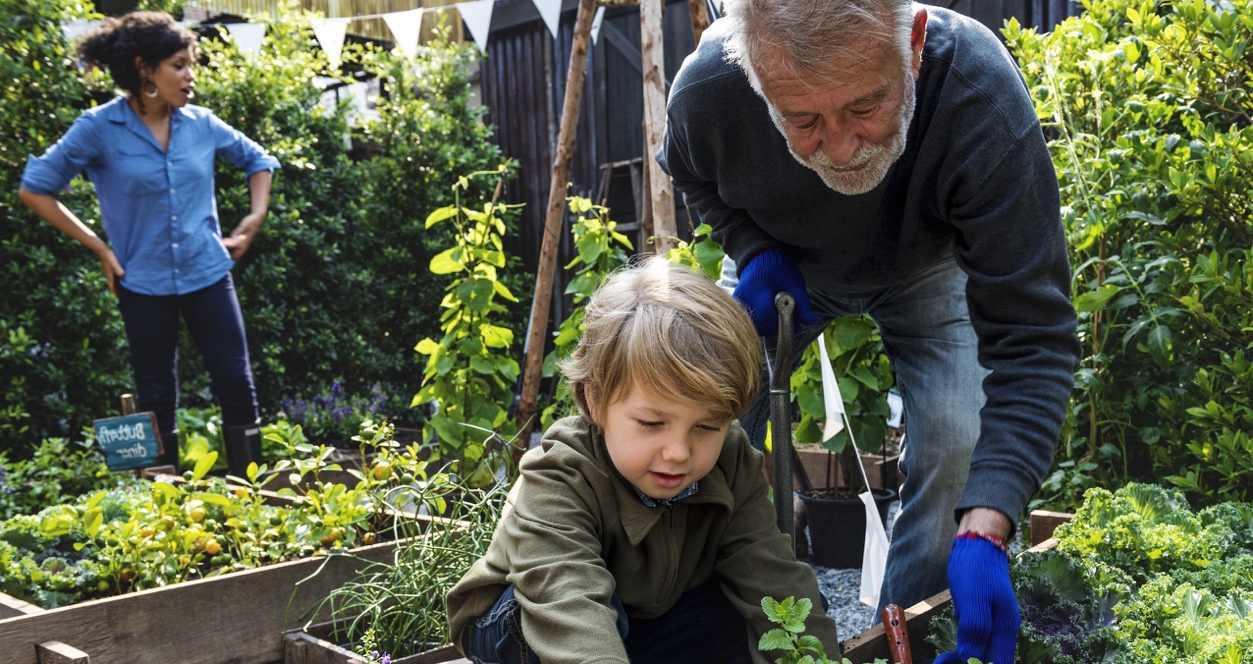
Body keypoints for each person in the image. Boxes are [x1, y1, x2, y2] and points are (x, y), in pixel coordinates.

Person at [658, 1, 1082, 662]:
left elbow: (1031, 333)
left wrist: (987, 523)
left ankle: (903, 637)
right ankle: (683, 614)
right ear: (753, 78)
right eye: (800, 119)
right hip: (787, 265)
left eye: (864, 106)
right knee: (687, 403)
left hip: (928, 265)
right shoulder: (710, 89)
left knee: (955, 443)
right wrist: (752, 246)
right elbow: (693, 175)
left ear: (911, 45)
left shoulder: (975, 93)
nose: (840, 146)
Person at [446, 256, 839, 664]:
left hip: (644, 615)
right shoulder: (558, 476)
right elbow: (569, 604)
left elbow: (770, 573)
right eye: (652, 423)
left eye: (707, 427)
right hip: (529, 618)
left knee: (786, 614)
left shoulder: (731, 459)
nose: (678, 452)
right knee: (587, 612)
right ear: (595, 401)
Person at [18, 11, 279, 475]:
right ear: (145, 69)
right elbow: (35, 187)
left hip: (207, 272)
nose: (190, 75)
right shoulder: (98, 128)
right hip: (142, 281)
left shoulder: (201, 123)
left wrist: (255, 215)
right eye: (179, 64)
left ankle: (254, 500)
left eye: (191, 63)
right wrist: (99, 246)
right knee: (156, 396)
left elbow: (258, 160)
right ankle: (166, 511)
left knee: (237, 384)